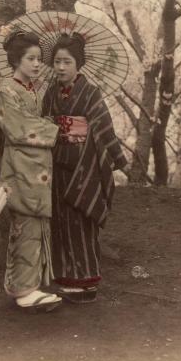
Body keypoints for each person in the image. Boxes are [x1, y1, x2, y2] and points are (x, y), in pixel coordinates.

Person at [42, 32, 127, 304]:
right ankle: (67, 278)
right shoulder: (51, 93)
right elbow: (43, 123)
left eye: (67, 62)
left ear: (78, 64)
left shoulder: (90, 93)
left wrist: (119, 160)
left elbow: (103, 127)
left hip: (84, 162)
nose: (61, 68)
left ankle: (87, 279)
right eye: (56, 62)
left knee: (81, 218)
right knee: (61, 221)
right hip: (58, 161)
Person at [0, 31, 62, 312]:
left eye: (38, 59)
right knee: (26, 226)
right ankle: (24, 289)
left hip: (35, 165)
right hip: (20, 166)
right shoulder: (6, 91)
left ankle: (30, 284)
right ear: (16, 60)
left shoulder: (31, 90)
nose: (36, 64)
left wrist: (46, 122)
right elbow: (19, 127)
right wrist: (56, 129)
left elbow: (33, 122)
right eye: (30, 59)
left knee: (36, 225)